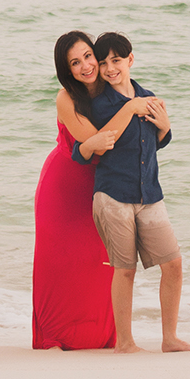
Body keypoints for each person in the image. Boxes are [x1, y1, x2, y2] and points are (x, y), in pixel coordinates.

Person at [73, 31, 190, 353]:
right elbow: (97, 143)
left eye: (116, 60)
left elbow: (155, 142)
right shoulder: (99, 104)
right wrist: (130, 109)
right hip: (113, 194)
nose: (110, 68)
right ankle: (125, 343)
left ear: (130, 60)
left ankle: (169, 339)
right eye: (102, 63)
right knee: (125, 270)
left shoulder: (149, 97)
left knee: (173, 264)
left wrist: (165, 125)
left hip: (150, 194)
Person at [31, 30, 149, 350]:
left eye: (87, 56)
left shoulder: (114, 86)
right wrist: (131, 108)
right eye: (75, 63)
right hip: (64, 187)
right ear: (66, 70)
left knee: (100, 262)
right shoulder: (66, 98)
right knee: (59, 263)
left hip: (105, 186)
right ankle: (54, 336)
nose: (85, 66)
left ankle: (103, 335)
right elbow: (98, 144)